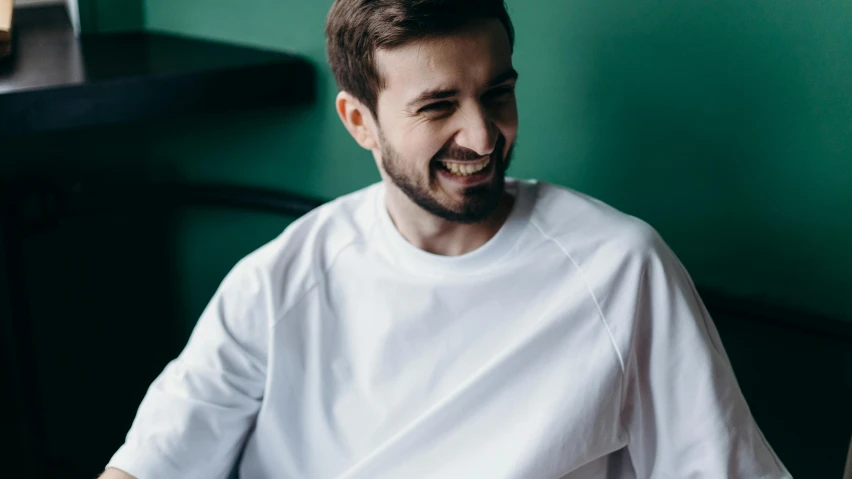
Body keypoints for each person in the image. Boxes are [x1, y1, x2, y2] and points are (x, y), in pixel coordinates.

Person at [101, 1, 792, 478]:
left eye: (497, 93)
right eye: (437, 106)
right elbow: (151, 462)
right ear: (359, 120)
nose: (484, 136)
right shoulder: (280, 280)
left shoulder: (619, 269)